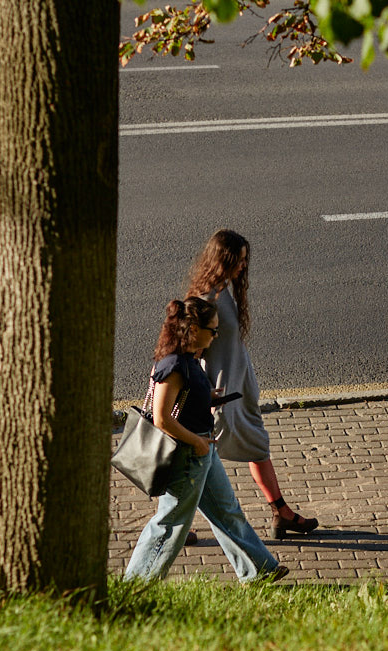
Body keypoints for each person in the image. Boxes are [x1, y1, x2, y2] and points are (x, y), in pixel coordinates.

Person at [124, 297, 289, 584]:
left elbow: (182, 400)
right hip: (189, 453)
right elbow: (162, 418)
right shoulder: (173, 366)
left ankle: (258, 571)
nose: (215, 335)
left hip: (202, 450)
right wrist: (197, 443)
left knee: (227, 511)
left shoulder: (188, 359)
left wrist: (208, 396)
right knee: (170, 522)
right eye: (211, 330)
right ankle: (137, 584)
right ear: (192, 328)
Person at [187, 229, 319, 539]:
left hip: (238, 393)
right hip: (219, 398)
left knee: (256, 446)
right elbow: (189, 357)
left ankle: (281, 512)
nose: (243, 266)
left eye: (246, 260)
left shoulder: (222, 293)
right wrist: (204, 396)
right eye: (239, 260)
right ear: (223, 260)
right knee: (201, 460)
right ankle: (175, 524)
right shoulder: (205, 302)